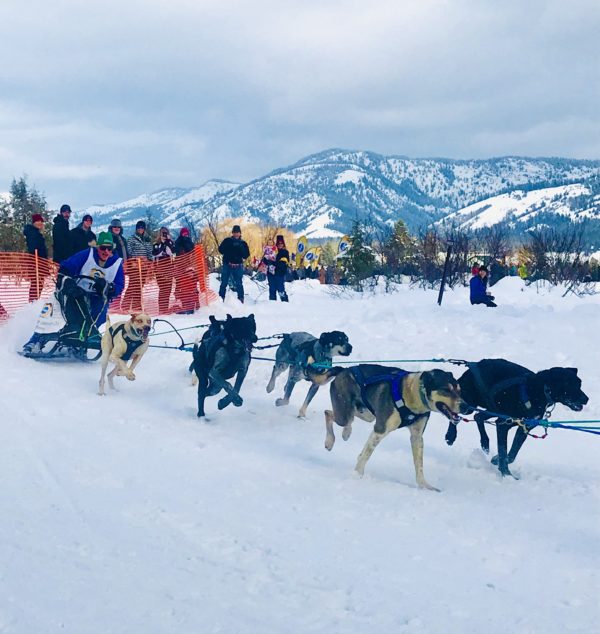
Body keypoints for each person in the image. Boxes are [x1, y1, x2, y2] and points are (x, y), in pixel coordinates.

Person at [21, 232, 124, 356]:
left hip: (97, 298)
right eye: (103, 248)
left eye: (109, 248)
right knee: (53, 309)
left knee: (97, 316)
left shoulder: (116, 264)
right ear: (97, 247)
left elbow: (119, 286)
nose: (106, 252)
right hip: (75, 293)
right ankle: (35, 339)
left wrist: (109, 287)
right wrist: (67, 281)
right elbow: (66, 268)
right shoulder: (87, 255)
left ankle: (79, 343)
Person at [122, 220, 152, 312]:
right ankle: (125, 306)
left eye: (142, 228)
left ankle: (136, 306)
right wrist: (134, 258)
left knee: (140, 286)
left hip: (144, 266)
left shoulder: (146, 239)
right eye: (138, 228)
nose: (140, 229)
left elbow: (149, 252)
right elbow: (129, 251)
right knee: (133, 285)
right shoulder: (132, 239)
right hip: (134, 266)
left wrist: (149, 261)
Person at [218, 224, 250, 303]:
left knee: (239, 283)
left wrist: (241, 247)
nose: (236, 234)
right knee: (224, 282)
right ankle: (220, 298)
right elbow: (220, 250)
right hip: (227, 264)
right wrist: (228, 245)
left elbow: (246, 255)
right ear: (232, 233)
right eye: (235, 232)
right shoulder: (227, 240)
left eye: (237, 232)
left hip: (238, 266)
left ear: (240, 233)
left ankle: (241, 299)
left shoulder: (243, 243)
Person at [23, 213, 48, 302]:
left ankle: (34, 302)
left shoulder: (36, 233)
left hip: (39, 263)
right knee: (36, 284)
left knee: (38, 284)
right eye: (38, 221)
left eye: (41, 221)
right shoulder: (33, 233)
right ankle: (33, 302)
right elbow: (33, 248)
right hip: (36, 263)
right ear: (34, 222)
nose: (40, 223)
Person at [152, 226, 175, 313]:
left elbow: (172, 252)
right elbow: (156, 253)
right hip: (159, 268)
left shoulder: (170, 242)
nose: (164, 235)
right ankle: (162, 309)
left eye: (166, 233)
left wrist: (168, 242)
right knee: (163, 288)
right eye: (163, 233)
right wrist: (162, 243)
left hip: (169, 268)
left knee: (168, 289)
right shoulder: (156, 243)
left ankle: (165, 308)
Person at [265, 235, 289, 301]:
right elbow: (266, 260)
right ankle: (272, 304)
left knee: (281, 291)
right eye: (278, 243)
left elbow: (282, 263)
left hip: (280, 274)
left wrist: (272, 262)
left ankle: (285, 304)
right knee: (272, 290)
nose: (280, 245)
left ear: (283, 244)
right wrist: (265, 260)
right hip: (271, 274)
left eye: (281, 243)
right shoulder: (272, 251)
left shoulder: (285, 252)